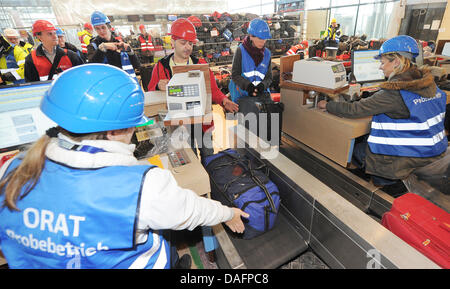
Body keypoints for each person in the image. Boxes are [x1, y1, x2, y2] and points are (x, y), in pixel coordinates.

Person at [0, 64, 249, 269]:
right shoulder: (140, 185)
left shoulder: (13, 169)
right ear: (116, 130)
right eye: (133, 127)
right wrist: (228, 213)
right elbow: (189, 209)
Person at [317, 35, 448, 187]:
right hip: (434, 150)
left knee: (355, 150)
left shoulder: (394, 92)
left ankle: (383, 185)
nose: (380, 67)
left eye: (383, 62)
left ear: (397, 62)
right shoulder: (427, 83)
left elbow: (354, 110)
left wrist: (326, 105)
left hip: (404, 159)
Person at [147, 18, 239, 162]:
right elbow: (150, 90)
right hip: (180, 124)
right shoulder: (161, 66)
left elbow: (212, 89)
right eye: (183, 43)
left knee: (209, 155)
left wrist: (224, 100)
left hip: (203, 122)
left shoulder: (200, 64)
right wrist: (158, 85)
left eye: (190, 43)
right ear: (172, 42)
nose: (188, 47)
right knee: (190, 157)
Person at [229, 18, 273, 103]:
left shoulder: (267, 54)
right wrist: (248, 86)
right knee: (249, 115)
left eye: (265, 39)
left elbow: (269, 77)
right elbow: (235, 75)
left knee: (273, 115)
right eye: (260, 38)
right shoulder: (240, 51)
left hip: (261, 94)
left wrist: (262, 86)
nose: (263, 42)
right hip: (242, 94)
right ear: (251, 36)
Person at [87, 11, 140, 81]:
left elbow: (137, 65)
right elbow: (91, 67)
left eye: (103, 27)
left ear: (109, 27)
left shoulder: (120, 42)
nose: (101, 31)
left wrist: (131, 52)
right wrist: (101, 49)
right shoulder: (93, 46)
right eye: (97, 28)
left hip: (123, 81)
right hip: (106, 84)